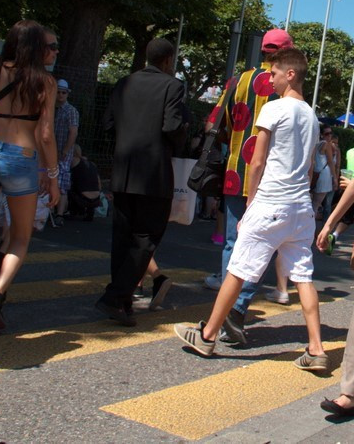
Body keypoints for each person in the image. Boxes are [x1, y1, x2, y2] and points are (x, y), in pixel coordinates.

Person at [175, 47, 328, 369]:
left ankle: (208, 336)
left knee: (238, 269)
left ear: (290, 74)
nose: (268, 79)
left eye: (273, 73)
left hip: (271, 201)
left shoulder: (274, 109)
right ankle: (316, 348)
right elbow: (312, 167)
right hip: (300, 208)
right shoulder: (312, 117)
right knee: (303, 276)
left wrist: (250, 201)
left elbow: (256, 161)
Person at [0, 20, 61, 333]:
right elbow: (45, 134)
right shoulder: (44, 81)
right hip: (22, 155)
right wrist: (54, 175)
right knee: (19, 236)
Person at [202, 28, 294, 340]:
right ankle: (238, 308)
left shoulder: (239, 80)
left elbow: (217, 123)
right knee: (261, 247)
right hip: (270, 177)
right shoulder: (287, 84)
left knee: (232, 242)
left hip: (235, 172)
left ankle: (224, 308)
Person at [95, 38, 190, 326]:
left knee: (122, 238)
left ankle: (122, 300)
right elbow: (172, 126)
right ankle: (116, 296)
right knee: (146, 237)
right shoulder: (173, 86)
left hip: (123, 168)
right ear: (167, 60)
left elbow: (107, 123)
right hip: (154, 172)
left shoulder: (124, 83)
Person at [53, 78, 79, 216]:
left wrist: (65, 150)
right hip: (51, 150)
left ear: (67, 94)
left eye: (63, 92)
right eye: (58, 92)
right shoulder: (52, 109)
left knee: (62, 184)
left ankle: (60, 214)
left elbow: (73, 132)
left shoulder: (71, 111)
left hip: (63, 152)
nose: (61, 95)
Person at [67, 144, 101, 221]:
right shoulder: (92, 164)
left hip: (81, 198)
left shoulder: (73, 161)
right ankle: (89, 212)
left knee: (68, 188)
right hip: (96, 198)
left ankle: (73, 211)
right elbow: (99, 183)